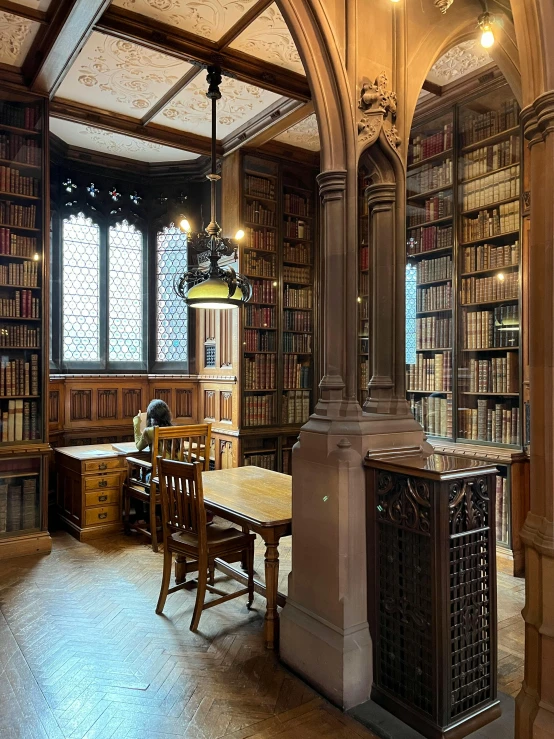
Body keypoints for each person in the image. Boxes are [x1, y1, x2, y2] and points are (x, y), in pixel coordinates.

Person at [129, 399, 173, 529]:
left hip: (159, 481)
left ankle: (142, 519)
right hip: (176, 480)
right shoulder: (175, 430)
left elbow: (138, 446)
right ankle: (160, 517)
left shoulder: (150, 431)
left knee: (132, 481)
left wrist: (136, 423)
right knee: (153, 477)